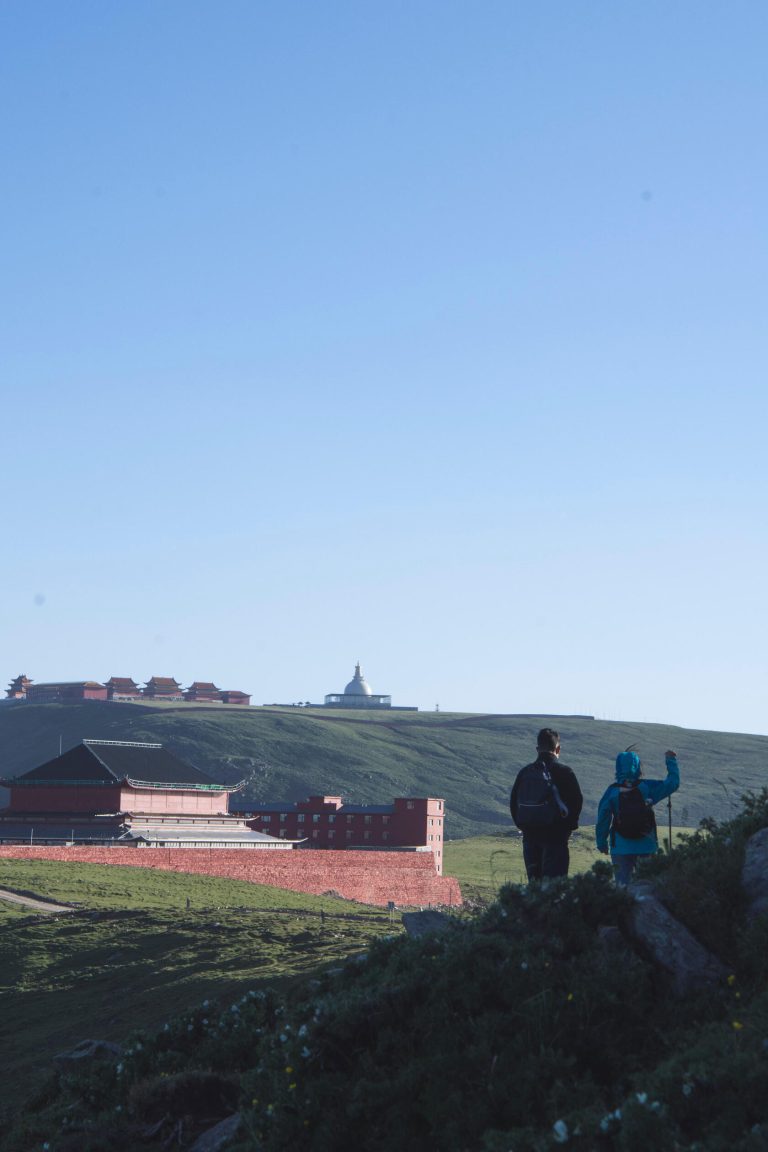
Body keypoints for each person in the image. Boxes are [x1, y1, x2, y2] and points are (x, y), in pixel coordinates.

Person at [596, 749, 680, 886]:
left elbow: (603, 819)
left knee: (622, 889)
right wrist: (670, 761)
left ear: (618, 767)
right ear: (638, 767)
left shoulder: (612, 791)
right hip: (647, 845)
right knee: (648, 887)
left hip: (621, 848)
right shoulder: (647, 788)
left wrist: (602, 843)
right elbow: (672, 783)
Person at [510, 728, 583, 881]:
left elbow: (514, 803)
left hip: (530, 837)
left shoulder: (525, 772)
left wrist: (524, 826)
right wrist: (567, 828)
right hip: (556, 837)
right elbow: (576, 803)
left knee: (535, 886)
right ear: (558, 749)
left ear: (537, 749)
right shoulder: (565, 772)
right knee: (554, 888)